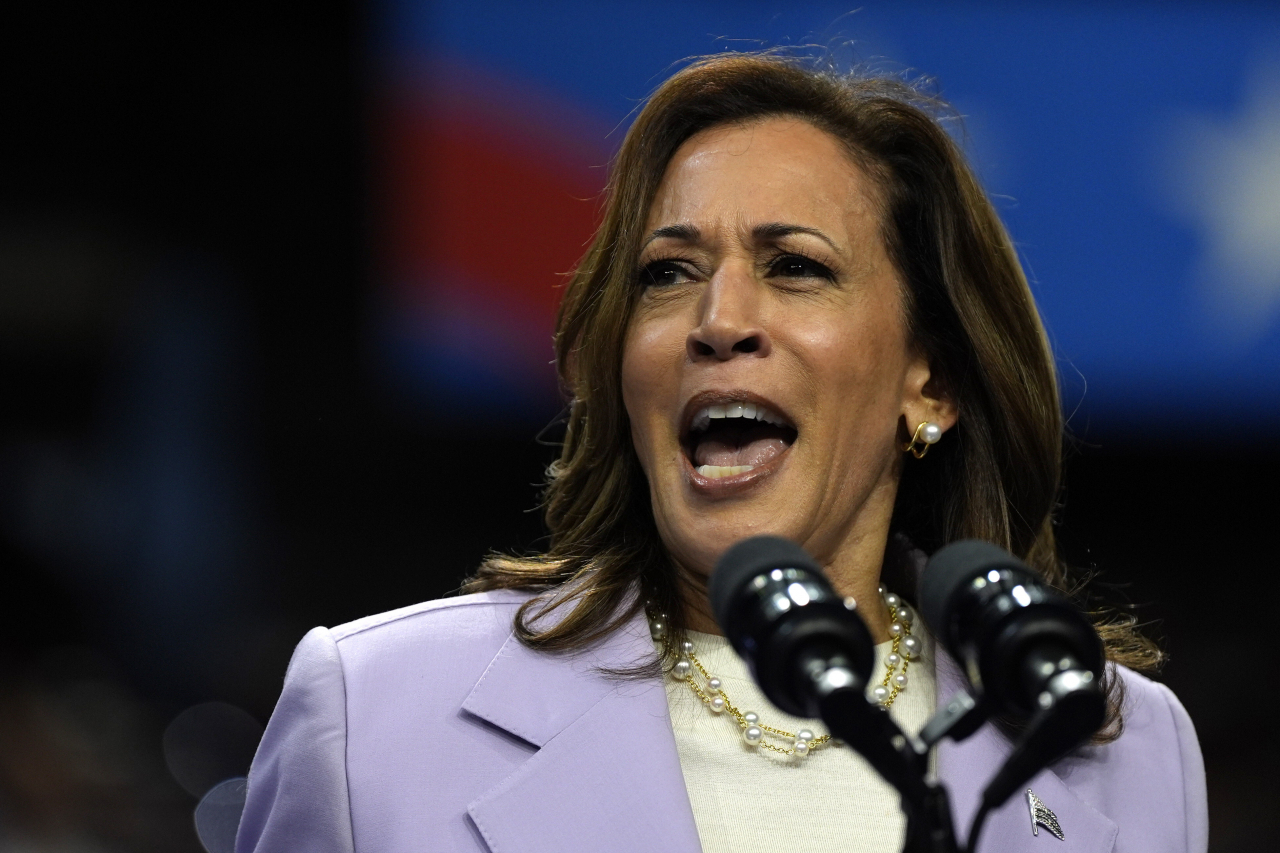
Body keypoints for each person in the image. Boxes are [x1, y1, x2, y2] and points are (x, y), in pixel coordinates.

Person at [235, 53, 1207, 853]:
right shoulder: (374, 714)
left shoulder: (1117, 739)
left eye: (794, 267)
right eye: (668, 273)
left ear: (931, 382)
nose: (718, 319)